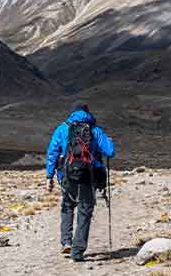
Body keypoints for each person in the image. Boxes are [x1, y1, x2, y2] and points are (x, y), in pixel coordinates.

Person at [45, 102, 117, 262]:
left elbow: (52, 153)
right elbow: (110, 152)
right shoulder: (94, 130)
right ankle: (77, 252)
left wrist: (49, 176)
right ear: (88, 113)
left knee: (67, 205)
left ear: (72, 113)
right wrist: (109, 141)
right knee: (85, 210)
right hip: (88, 175)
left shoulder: (62, 129)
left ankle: (66, 241)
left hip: (66, 175)